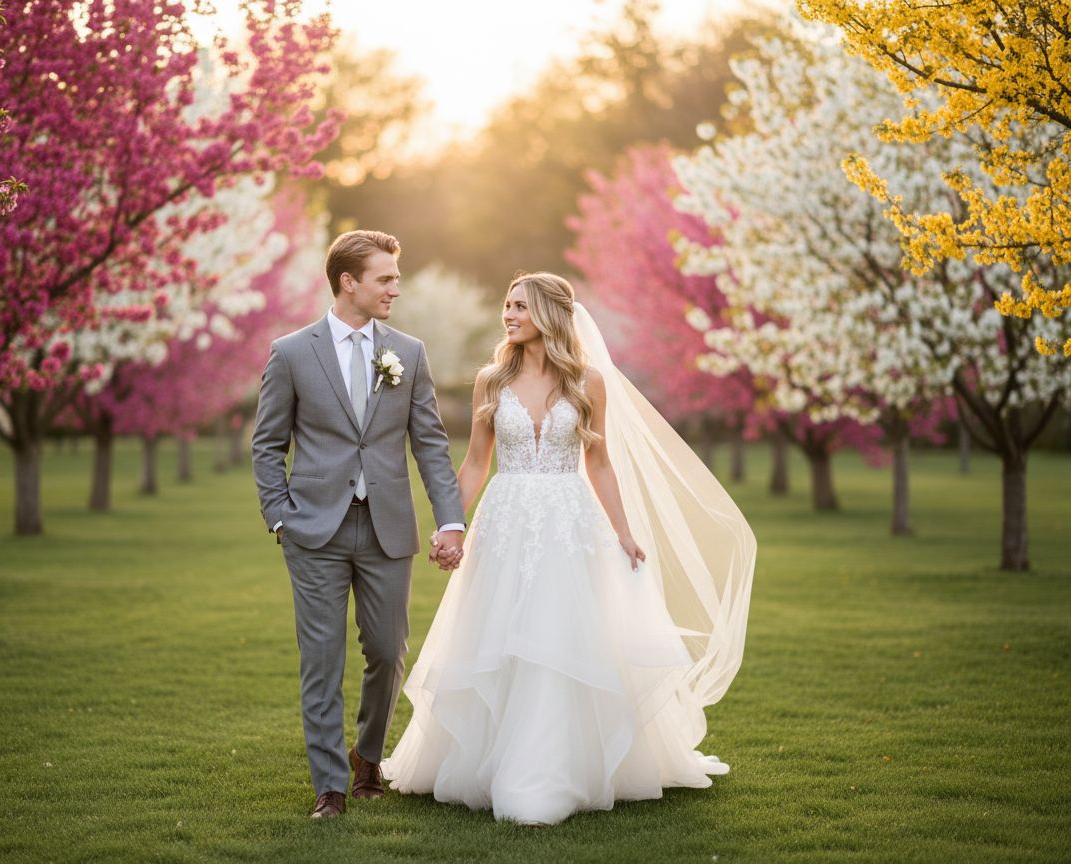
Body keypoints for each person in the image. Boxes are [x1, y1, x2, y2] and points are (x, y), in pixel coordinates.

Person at [381, 272, 756, 825]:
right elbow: (477, 464)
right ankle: (486, 760)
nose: (507, 315)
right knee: (498, 636)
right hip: (505, 521)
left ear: (550, 316)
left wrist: (624, 532)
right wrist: (449, 525)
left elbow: (598, 462)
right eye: (506, 305)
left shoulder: (589, 381)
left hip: (568, 523)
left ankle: (557, 769)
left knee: (560, 636)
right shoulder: (491, 379)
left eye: (519, 307)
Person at [251, 230, 466, 820]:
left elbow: (430, 444)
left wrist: (451, 519)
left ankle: (368, 756)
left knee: (387, 651)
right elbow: (267, 445)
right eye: (386, 279)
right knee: (321, 658)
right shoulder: (292, 352)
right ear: (350, 282)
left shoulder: (409, 353)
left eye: (396, 279)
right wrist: (279, 519)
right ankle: (331, 787)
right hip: (312, 532)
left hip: (387, 529)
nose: (396, 288)